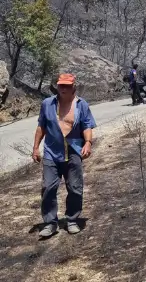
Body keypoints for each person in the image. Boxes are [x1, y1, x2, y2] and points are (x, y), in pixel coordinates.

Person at [31, 73, 96, 238]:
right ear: (57, 86)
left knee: (74, 187)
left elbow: (87, 126)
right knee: (48, 187)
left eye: (67, 85)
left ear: (74, 86)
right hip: (52, 151)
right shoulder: (47, 104)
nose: (64, 88)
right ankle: (50, 223)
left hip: (73, 150)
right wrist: (36, 148)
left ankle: (72, 219)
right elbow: (41, 127)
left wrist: (87, 143)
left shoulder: (82, 105)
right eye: (61, 85)